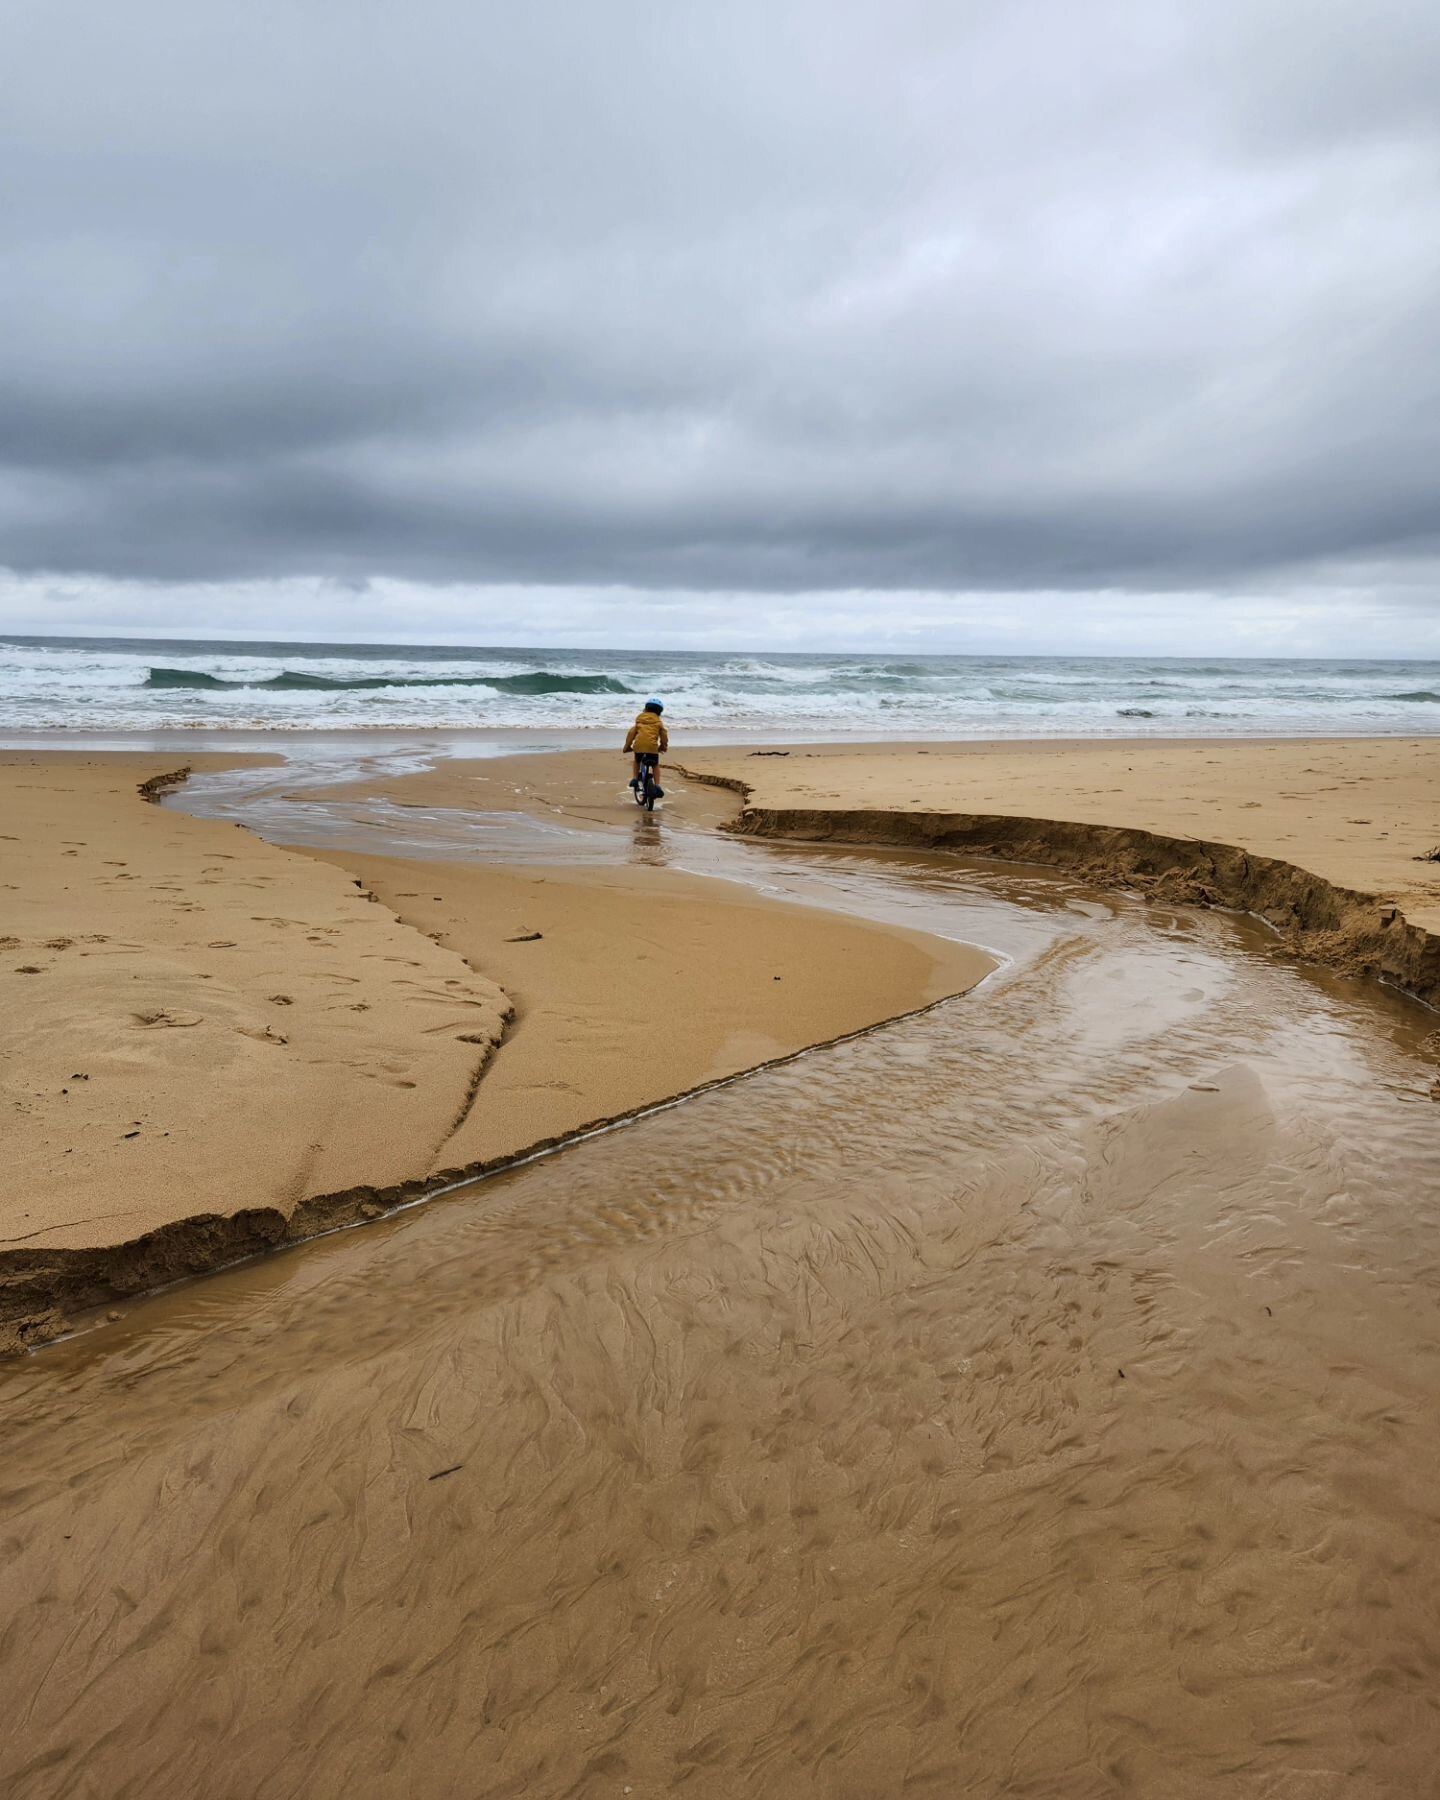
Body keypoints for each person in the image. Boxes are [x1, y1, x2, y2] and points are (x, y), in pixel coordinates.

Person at [624, 699, 668, 796]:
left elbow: (631, 733)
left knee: (637, 761)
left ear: (645, 709)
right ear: (659, 712)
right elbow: (664, 735)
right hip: (652, 748)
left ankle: (635, 778)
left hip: (639, 746)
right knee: (655, 765)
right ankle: (657, 785)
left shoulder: (639, 720)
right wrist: (663, 747)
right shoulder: (659, 722)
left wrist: (627, 747)